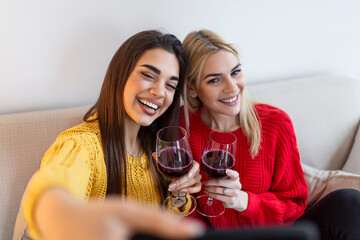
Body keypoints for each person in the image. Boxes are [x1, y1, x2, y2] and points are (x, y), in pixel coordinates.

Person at [19, 30, 203, 240]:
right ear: (120, 74)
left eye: (171, 85)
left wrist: (179, 191)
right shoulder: (81, 145)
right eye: (148, 75)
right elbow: (52, 192)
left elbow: (159, 224)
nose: (160, 92)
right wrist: (63, 218)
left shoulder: (157, 150)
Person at [181, 29, 360, 240]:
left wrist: (244, 201)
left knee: (348, 201)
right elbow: (180, 213)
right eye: (214, 80)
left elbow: (294, 205)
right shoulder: (181, 130)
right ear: (192, 87)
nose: (232, 87)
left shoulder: (275, 123)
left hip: (280, 234)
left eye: (235, 72)